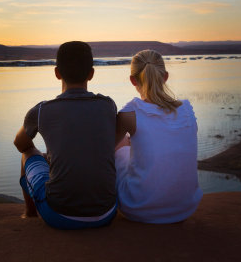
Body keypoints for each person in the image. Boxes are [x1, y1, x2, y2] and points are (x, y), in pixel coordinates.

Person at [13, 41, 118, 230]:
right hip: (106, 213)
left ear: (57, 73)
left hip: (58, 215)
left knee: (28, 153)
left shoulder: (41, 110)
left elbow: (20, 144)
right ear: (91, 73)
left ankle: (29, 214)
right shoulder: (108, 105)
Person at [115, 49, 202, 224]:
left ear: (133, 80)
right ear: (166, 76)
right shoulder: (187, 110)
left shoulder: (129, 113)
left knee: (120, 145)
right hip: (185, 208)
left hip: (138, 208)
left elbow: (106, 146)